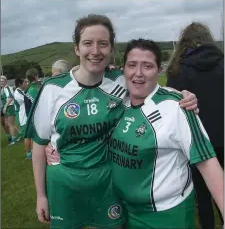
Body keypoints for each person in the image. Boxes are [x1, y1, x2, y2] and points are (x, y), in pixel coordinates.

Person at [25, 14, 198, 229]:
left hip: (108, 182)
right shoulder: (52, 89)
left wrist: (182, 95)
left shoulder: (120, 81)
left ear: (111, 49)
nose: (96, 51)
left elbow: (152, 88)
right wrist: (41, 195)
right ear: (77, 49)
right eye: (88, 43)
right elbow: (40, 143)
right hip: (64, 183)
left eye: (103, 44)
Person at [109, 38, 223, 229]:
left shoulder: (177, 107)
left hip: (166, 215)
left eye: (147, 66)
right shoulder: (117, 103)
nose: (138, 73)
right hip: (123, 210)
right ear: (123, 69)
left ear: (158, 71)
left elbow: (208, 163)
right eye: (132, 65)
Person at [166, 22, 224, 228]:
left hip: (195, 142)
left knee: (202, 193)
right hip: (222, 138)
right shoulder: (222, 63)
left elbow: (169, 109)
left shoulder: (177, 69)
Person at [24, 68, 40, 159]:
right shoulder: (33, 89)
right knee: (35, 137)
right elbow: (37, 105)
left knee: (31, 136)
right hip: (34, 117)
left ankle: (33, 153)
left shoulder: (29, 88)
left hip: (29, 116)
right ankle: (35, 153)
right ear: (35, 76)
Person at [14, 77, 29, 157]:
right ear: (20, 84)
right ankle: (28, 153)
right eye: (24, 82)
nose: (25, 84)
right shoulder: (17, 92)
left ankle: (32, 151)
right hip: (23, 116)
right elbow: (26, 99)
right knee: (27, 136)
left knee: (30, 135)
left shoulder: (20, 91)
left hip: (26, 114)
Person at [1, 75, 18, 145]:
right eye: (0, 81)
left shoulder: (7, 88)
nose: (1, 83)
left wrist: (5, 106)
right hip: (6, 108)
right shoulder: (3, 89)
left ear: (6, 81)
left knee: (10, 124)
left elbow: (10, 97)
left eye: (2, 81)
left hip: (10, 107)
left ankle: (14, 140)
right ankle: (21, 133)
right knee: (7, 124)